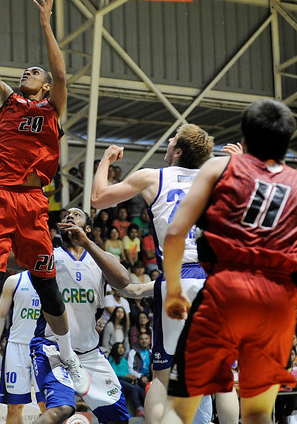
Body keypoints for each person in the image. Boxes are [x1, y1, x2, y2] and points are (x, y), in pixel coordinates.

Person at [159, 99, 297, 424]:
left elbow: (175, 233)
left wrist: (174, 290)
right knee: (258, 413)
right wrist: (296, 302)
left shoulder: (220, 167)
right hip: (276, 302)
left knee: (178, 409)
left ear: (243, 139)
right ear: (288, 143)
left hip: (224, 292)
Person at [0, 0, 88, 411]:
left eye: (34, 70)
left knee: (47, 288)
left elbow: (60, 70)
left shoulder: (54, 105)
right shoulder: (4, 99)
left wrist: (45, 25)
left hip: (35, 202)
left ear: (46, 85)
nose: (27, 71)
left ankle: (69, 356)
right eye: (25, 69)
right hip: (0, 199)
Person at [91, 126, 238, 424]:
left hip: (175, 277)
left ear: (178, 151)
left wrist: (105, 160)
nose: (168, 142)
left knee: (160, 376)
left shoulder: (153, 177)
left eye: (172, 141)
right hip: (214, 279)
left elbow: (98, 198)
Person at [29, 208, 131, 423]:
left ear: (87, 228)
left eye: (76, 214)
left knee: (119, 419)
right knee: (61, 410)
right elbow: (13, 260)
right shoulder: (50, 254)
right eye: (66, 215)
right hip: (52, 347)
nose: (69, 216)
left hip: (89, 353)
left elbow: (123, 280)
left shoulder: (101, 259)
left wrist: (86, 243)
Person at [0, 272, 46, 423]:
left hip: (44, 347)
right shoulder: (15, 280)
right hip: (16, 346)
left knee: (48, 405)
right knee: (14, 406)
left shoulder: (57, 279)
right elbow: (0, 315)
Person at [109, 342, 146, 417]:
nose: (121, 349)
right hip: (118, 381)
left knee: (140, 389)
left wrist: (132, 377)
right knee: (133, 389)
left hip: (126, 380)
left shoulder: (123, 360)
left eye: (122, 347)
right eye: (118, 347)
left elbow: (127, 371)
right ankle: (138, 409)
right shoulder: (111, 359)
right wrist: (127, 375)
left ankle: (148, 406)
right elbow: (114, 372)